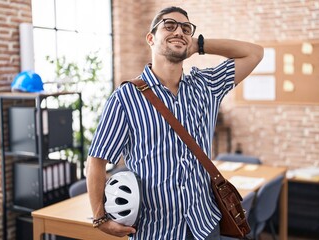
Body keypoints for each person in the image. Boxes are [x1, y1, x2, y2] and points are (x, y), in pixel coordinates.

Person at [86, 6, 263, 240]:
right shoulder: (125, 98)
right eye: (169, 26)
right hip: (155, 230)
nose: (179, 31)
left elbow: (254, 53)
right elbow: (96, 161)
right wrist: (99, 217)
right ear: (151, 38)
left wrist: (200, 44)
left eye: (185, 29)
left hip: (204, 224)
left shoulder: (206, 86)